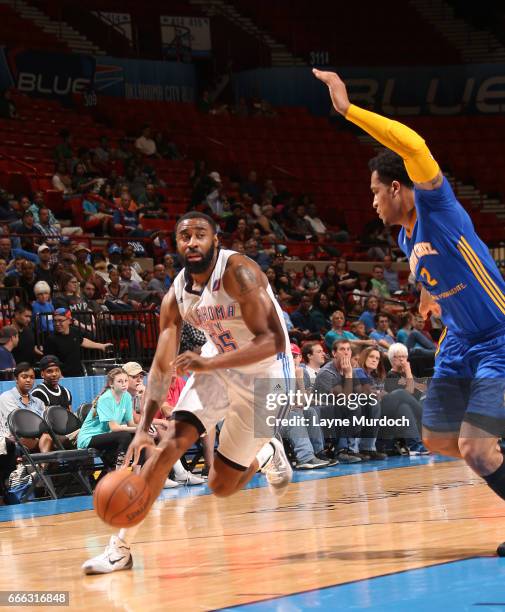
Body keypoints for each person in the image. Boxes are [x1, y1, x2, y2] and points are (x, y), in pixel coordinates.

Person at [317, 70, 505, 525]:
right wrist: (426, 297)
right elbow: (428, 274)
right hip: (459, 343)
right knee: (438, 437)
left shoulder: (436, 207)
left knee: (476, 449)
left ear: (397, 187)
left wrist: (349, 110)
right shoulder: (406, 240)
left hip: (497, 336)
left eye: (376, 192)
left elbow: (415, 146)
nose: (373, 202)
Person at [82, 211, 294, 574]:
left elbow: (273, 341)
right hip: (216, 366)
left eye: (200, 235)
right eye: (184, 236)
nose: (192, 242)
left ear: (216, 240)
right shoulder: (177, 294)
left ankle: (268, 451)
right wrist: (145, 426)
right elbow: (162, 366)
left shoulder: (239, 272)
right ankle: (120, 548)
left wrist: (210, 364)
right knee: (167, 447)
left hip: (266, 377)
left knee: (222, 486)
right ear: (175, 244)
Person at [77, 368, 136, 469]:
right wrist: (137, 429)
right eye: (120, 381)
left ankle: (140, 473)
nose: (124, 384)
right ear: (111, 383)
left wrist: (145, 428)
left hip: (106, 435)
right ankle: (119, 474)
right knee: (124, 436)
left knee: (142, 435)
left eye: (126, 381)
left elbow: (131, 424)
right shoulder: (106, 398)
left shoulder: (126, 396)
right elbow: (114, 428)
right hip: (89, 437)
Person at [42, 308, 113, 377]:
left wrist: (101, 346)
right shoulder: (50, 339)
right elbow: (49, 362)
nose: (57, 324)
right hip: (63, 377)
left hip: (78, 374)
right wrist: (60, 377)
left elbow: (82, 341)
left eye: (60, 320)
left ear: (69, 321)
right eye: (55, 321)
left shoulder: (74, 331)